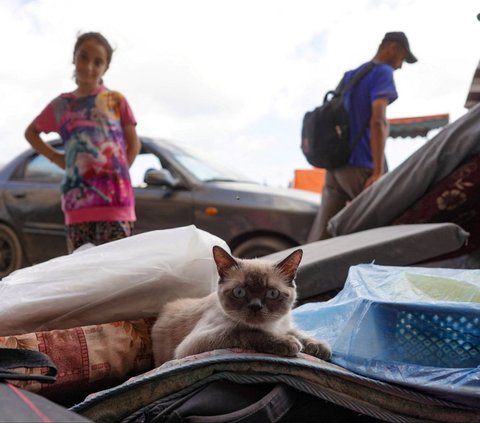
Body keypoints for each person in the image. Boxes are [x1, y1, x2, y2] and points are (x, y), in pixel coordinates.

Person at [25, 32, 141, 252]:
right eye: (84, 57)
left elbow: (133, 144)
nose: (89, 66)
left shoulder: (116, 101)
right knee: (81, 274)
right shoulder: (60, 105)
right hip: (77, 204)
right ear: (74, 58)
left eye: (98, 62)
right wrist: (56, 157)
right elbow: (31, 132)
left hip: (115, 203)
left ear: (105, 68)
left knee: (116, 274)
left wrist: (119, 175)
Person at [307, 31, 417, 242]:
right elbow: (378, 120)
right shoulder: (382, 72)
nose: (400, 65)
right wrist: (377, 171)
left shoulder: (351, 75)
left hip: (336, 165)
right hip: (360, 165)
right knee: (379, 231)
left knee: (322, 233)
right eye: (402, 58)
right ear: (392, 48)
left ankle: (303, 272)